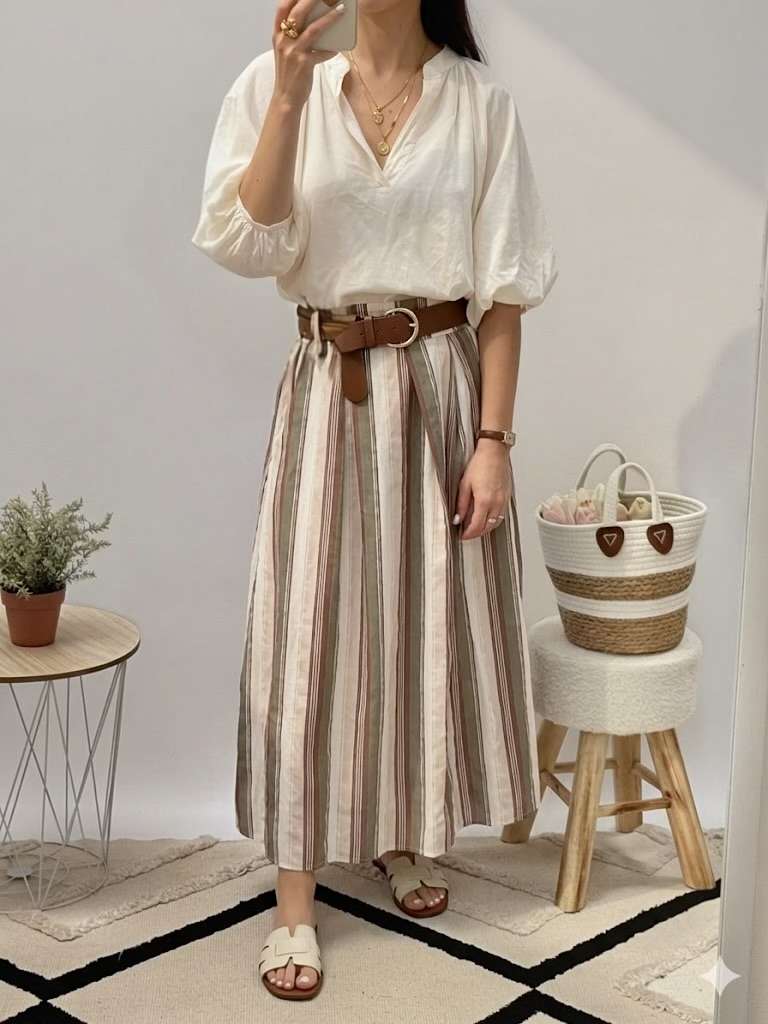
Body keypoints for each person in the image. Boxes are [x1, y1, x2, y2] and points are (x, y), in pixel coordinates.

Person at [191, 0, 558, 1001]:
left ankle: (400, 834)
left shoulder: (479, 102)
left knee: (415, 626)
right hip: (328, 383)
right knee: (307, 640)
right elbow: (249, 240)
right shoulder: (281, 86)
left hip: (441, 389)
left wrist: (494, 442)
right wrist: (288, 94)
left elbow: (504, 292)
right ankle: (294, 901)